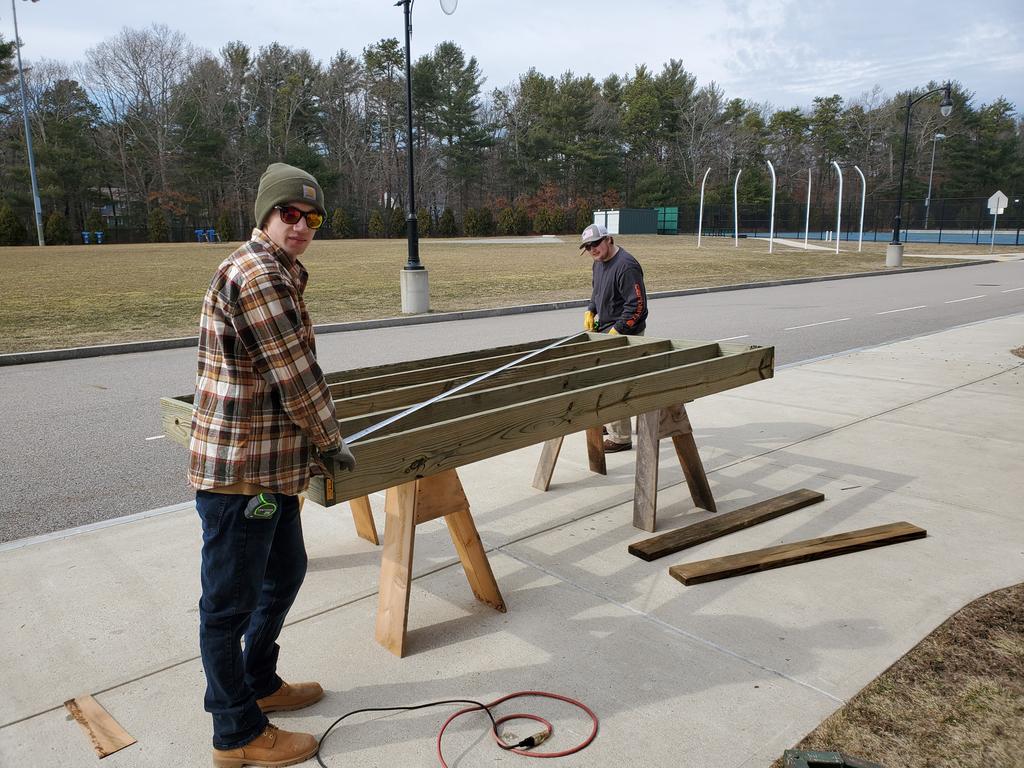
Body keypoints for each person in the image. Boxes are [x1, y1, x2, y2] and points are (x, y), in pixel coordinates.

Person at [188, 162, 356, 767]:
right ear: (265, 214)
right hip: (243, 475)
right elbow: (297, 377)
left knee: (283, 574)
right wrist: (331, 440)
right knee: (226, 607)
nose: (303, 226)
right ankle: (235, 735)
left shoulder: (278, 271)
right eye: (291, 213)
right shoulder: (259, 274)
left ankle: (259, 680)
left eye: (313, 218)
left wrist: (313, 444)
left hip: (273, 467)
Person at [580, 223, 649, 452]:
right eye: (588, 247)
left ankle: (620, 437)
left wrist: (618, 331)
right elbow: (597, 290)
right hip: (607, 330)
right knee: (597, 377)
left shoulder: (626, 266)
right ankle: (608, 421)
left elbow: (637, 307)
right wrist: (591, 308)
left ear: (608, 239)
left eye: (595, 244)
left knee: (615, 381)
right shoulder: (598, 263)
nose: (592, 250)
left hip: (627, 333)